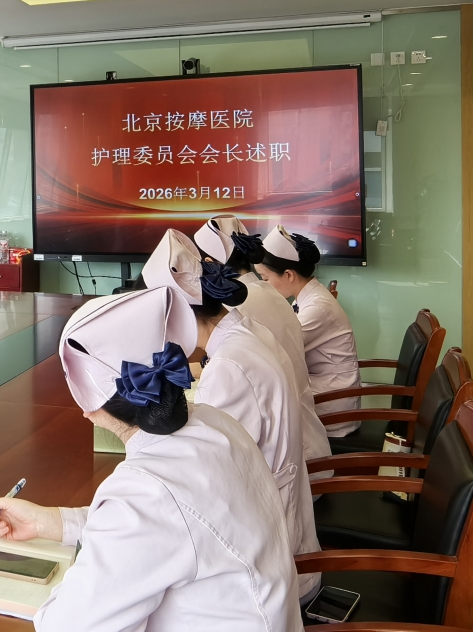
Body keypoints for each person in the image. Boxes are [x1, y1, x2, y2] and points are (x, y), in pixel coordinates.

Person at [0, 284, 325, 632]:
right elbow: (183, 525)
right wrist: (55, 522)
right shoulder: (215, 425)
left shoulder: (145, 490)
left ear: (88, 409)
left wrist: (65, 593)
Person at [144, 230, 321, 600]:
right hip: (273, 522)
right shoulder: (245, 331)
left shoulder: (229, 364)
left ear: (178, 316)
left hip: (266, 563)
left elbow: (205, 478)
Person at [195, 216, 332, 478]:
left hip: (292, 462)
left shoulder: (238, 309)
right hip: (302, 441)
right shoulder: (267, 291)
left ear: (210, 264)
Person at [257, 225, 361, 436]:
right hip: (324, 388)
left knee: (260, 407)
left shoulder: (317, 307)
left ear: (289, 275)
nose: (263, 285)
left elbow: (278, 350)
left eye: (265, 279)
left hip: (332, 404)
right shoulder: (308, 296)